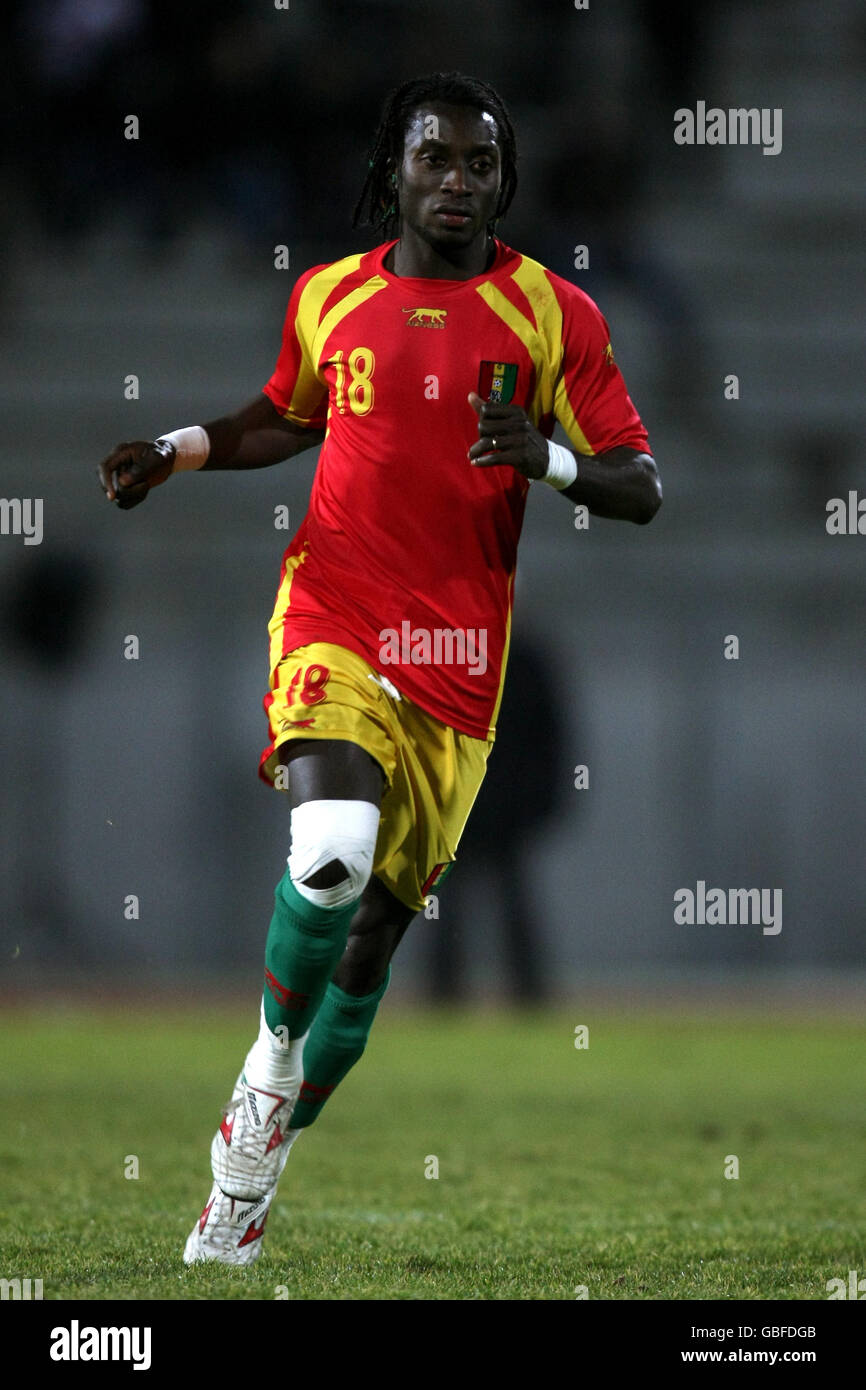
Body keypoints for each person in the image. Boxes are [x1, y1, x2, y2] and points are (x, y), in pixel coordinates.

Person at [96, 71, 662, 1266]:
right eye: (433, 159)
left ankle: (253, 1166)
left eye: (479, 164)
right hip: (335, 611)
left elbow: (639, 483)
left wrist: (550, 463)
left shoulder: (555, 315)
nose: (455, 181)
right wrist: (178, 449)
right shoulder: (328, 296)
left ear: (504, 182)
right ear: (392, 171)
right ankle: (261, 1072)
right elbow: (283, 414)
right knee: (331, 843)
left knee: (366, 949)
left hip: (457, 654)